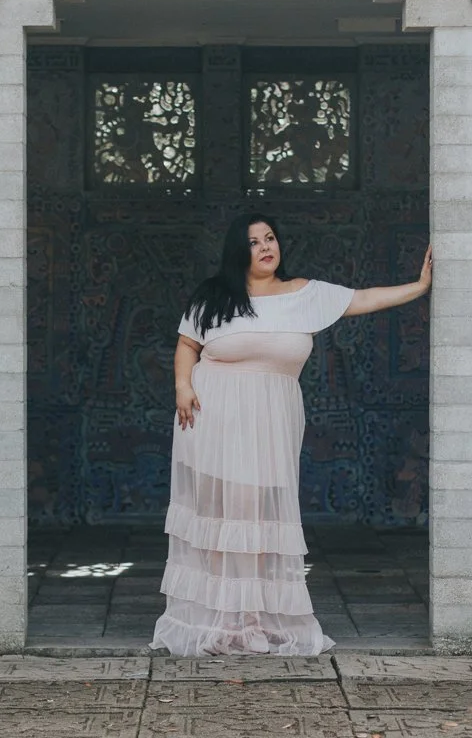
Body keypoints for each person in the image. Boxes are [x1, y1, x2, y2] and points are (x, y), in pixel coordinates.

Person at [149, 213, 433, 656]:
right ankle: (228, 619)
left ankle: (255, 616)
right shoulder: (216, 295)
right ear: (237, 251)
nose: (265, 246)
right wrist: (182, 386)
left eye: (270, 238)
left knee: (261, 515)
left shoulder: (305, 294)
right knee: (230, 513)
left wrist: (417, 287)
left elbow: (363, 299)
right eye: (254, 241)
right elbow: (188, 344)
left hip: (271, 418)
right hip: (214, 416)